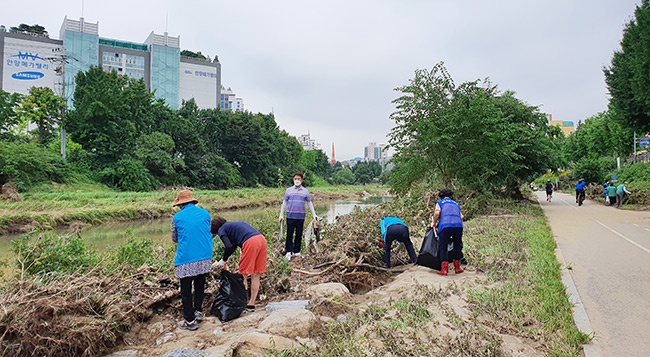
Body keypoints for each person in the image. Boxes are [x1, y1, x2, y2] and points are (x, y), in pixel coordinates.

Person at [171, 190, 213, 331]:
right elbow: (209, 232)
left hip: (187, 257)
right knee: (200, 284)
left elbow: (174, 238)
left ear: (180, 204)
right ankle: (198, 312)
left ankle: (190, 321)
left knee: (186, 290)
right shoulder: (205, 213)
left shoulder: (177, 218)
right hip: (205, 255)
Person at [211, 217, 268, 312]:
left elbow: (228, 246)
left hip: (250, 243)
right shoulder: (232, 225)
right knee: (256, 274)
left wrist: (222, 260)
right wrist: (223, 260)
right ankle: (251, 303)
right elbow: (233, 247)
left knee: (243, 275)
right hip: (261, 240)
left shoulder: (222, 229)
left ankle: (241, 302)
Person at [279, 173, 317, 260]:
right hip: (290, 215)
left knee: (299, 234)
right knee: (289, 234)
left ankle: (296, 251)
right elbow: (284, 202)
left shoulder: (305, 191)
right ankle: (288, 251)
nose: (297, 180)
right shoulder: (289, 190)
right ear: (293, 180)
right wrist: (281, 214)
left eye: (299, 179)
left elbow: (309, 203)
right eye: (295, 178)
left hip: (300, 216)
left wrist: (314, 214)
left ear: (302, 180)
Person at [432, 189, 464, 276]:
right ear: (451, 196)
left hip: (445, 226)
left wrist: (434, 223)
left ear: (441, 196)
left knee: (443, 246)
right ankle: (457, 268)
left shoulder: (440, 203)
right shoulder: (456, 204)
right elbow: (461, 216)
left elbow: (437, 213)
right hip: (458, 226)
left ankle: (444, 269)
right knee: (457, 245)